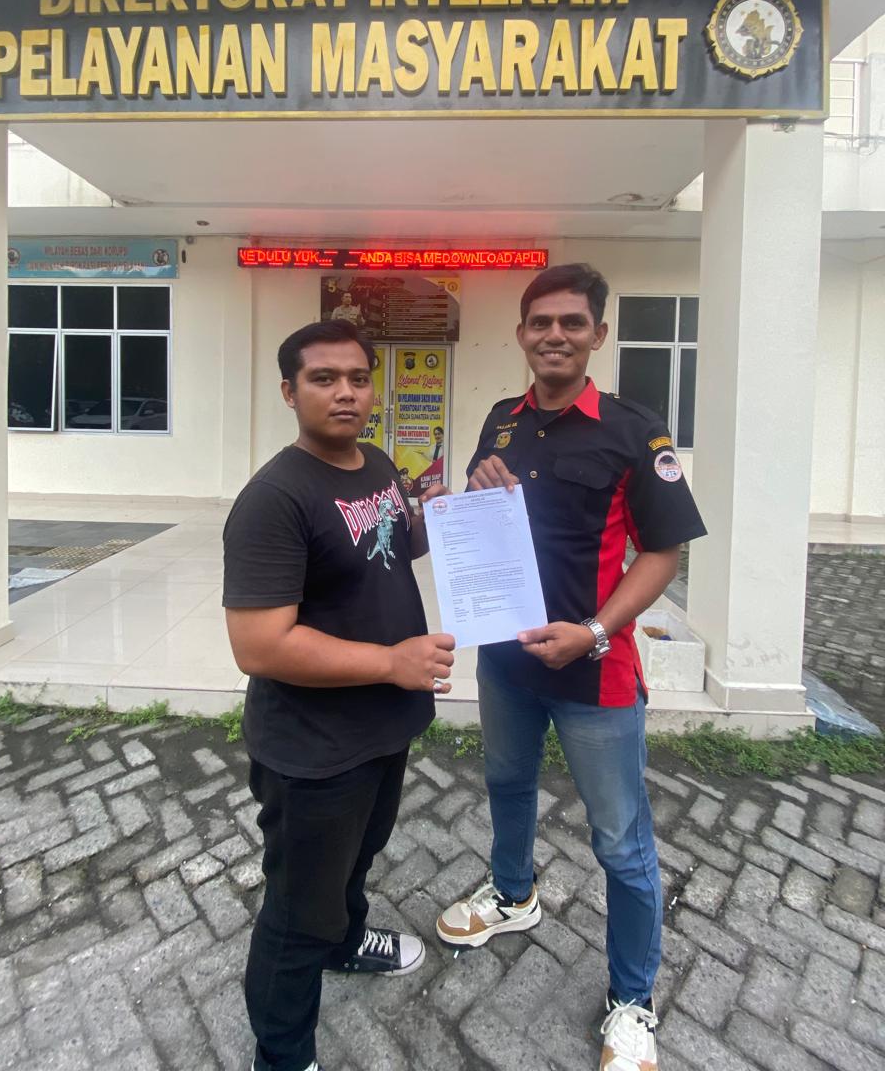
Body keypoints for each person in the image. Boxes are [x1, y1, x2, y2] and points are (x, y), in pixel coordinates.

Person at [435, 264, 706, 1071]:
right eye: (541, 323)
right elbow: (482, 523)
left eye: (572, 323)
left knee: (621, 841)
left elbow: (663, 552)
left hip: (596, 672)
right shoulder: (501, 420)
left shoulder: (634, 431)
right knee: (507, 785)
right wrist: (476, 489)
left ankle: (633, 1000)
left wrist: (592, 631)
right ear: (522, 333)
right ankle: (513, 894)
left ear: (598, 335)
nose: (555, 335)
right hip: (507, 662)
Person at [224, 318, 455, 1071]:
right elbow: (259, 646)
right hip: (313, 750)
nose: (346, 392)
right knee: (299, 911)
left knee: (357, 861)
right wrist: (391, 661)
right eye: (324, 379)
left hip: (380, 727)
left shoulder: (376, 464)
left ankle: (347, 943)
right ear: (289, 391)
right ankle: (282, 1054)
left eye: (358, 378)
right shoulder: (274, 498)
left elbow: (393, 544)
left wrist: (440, 514)